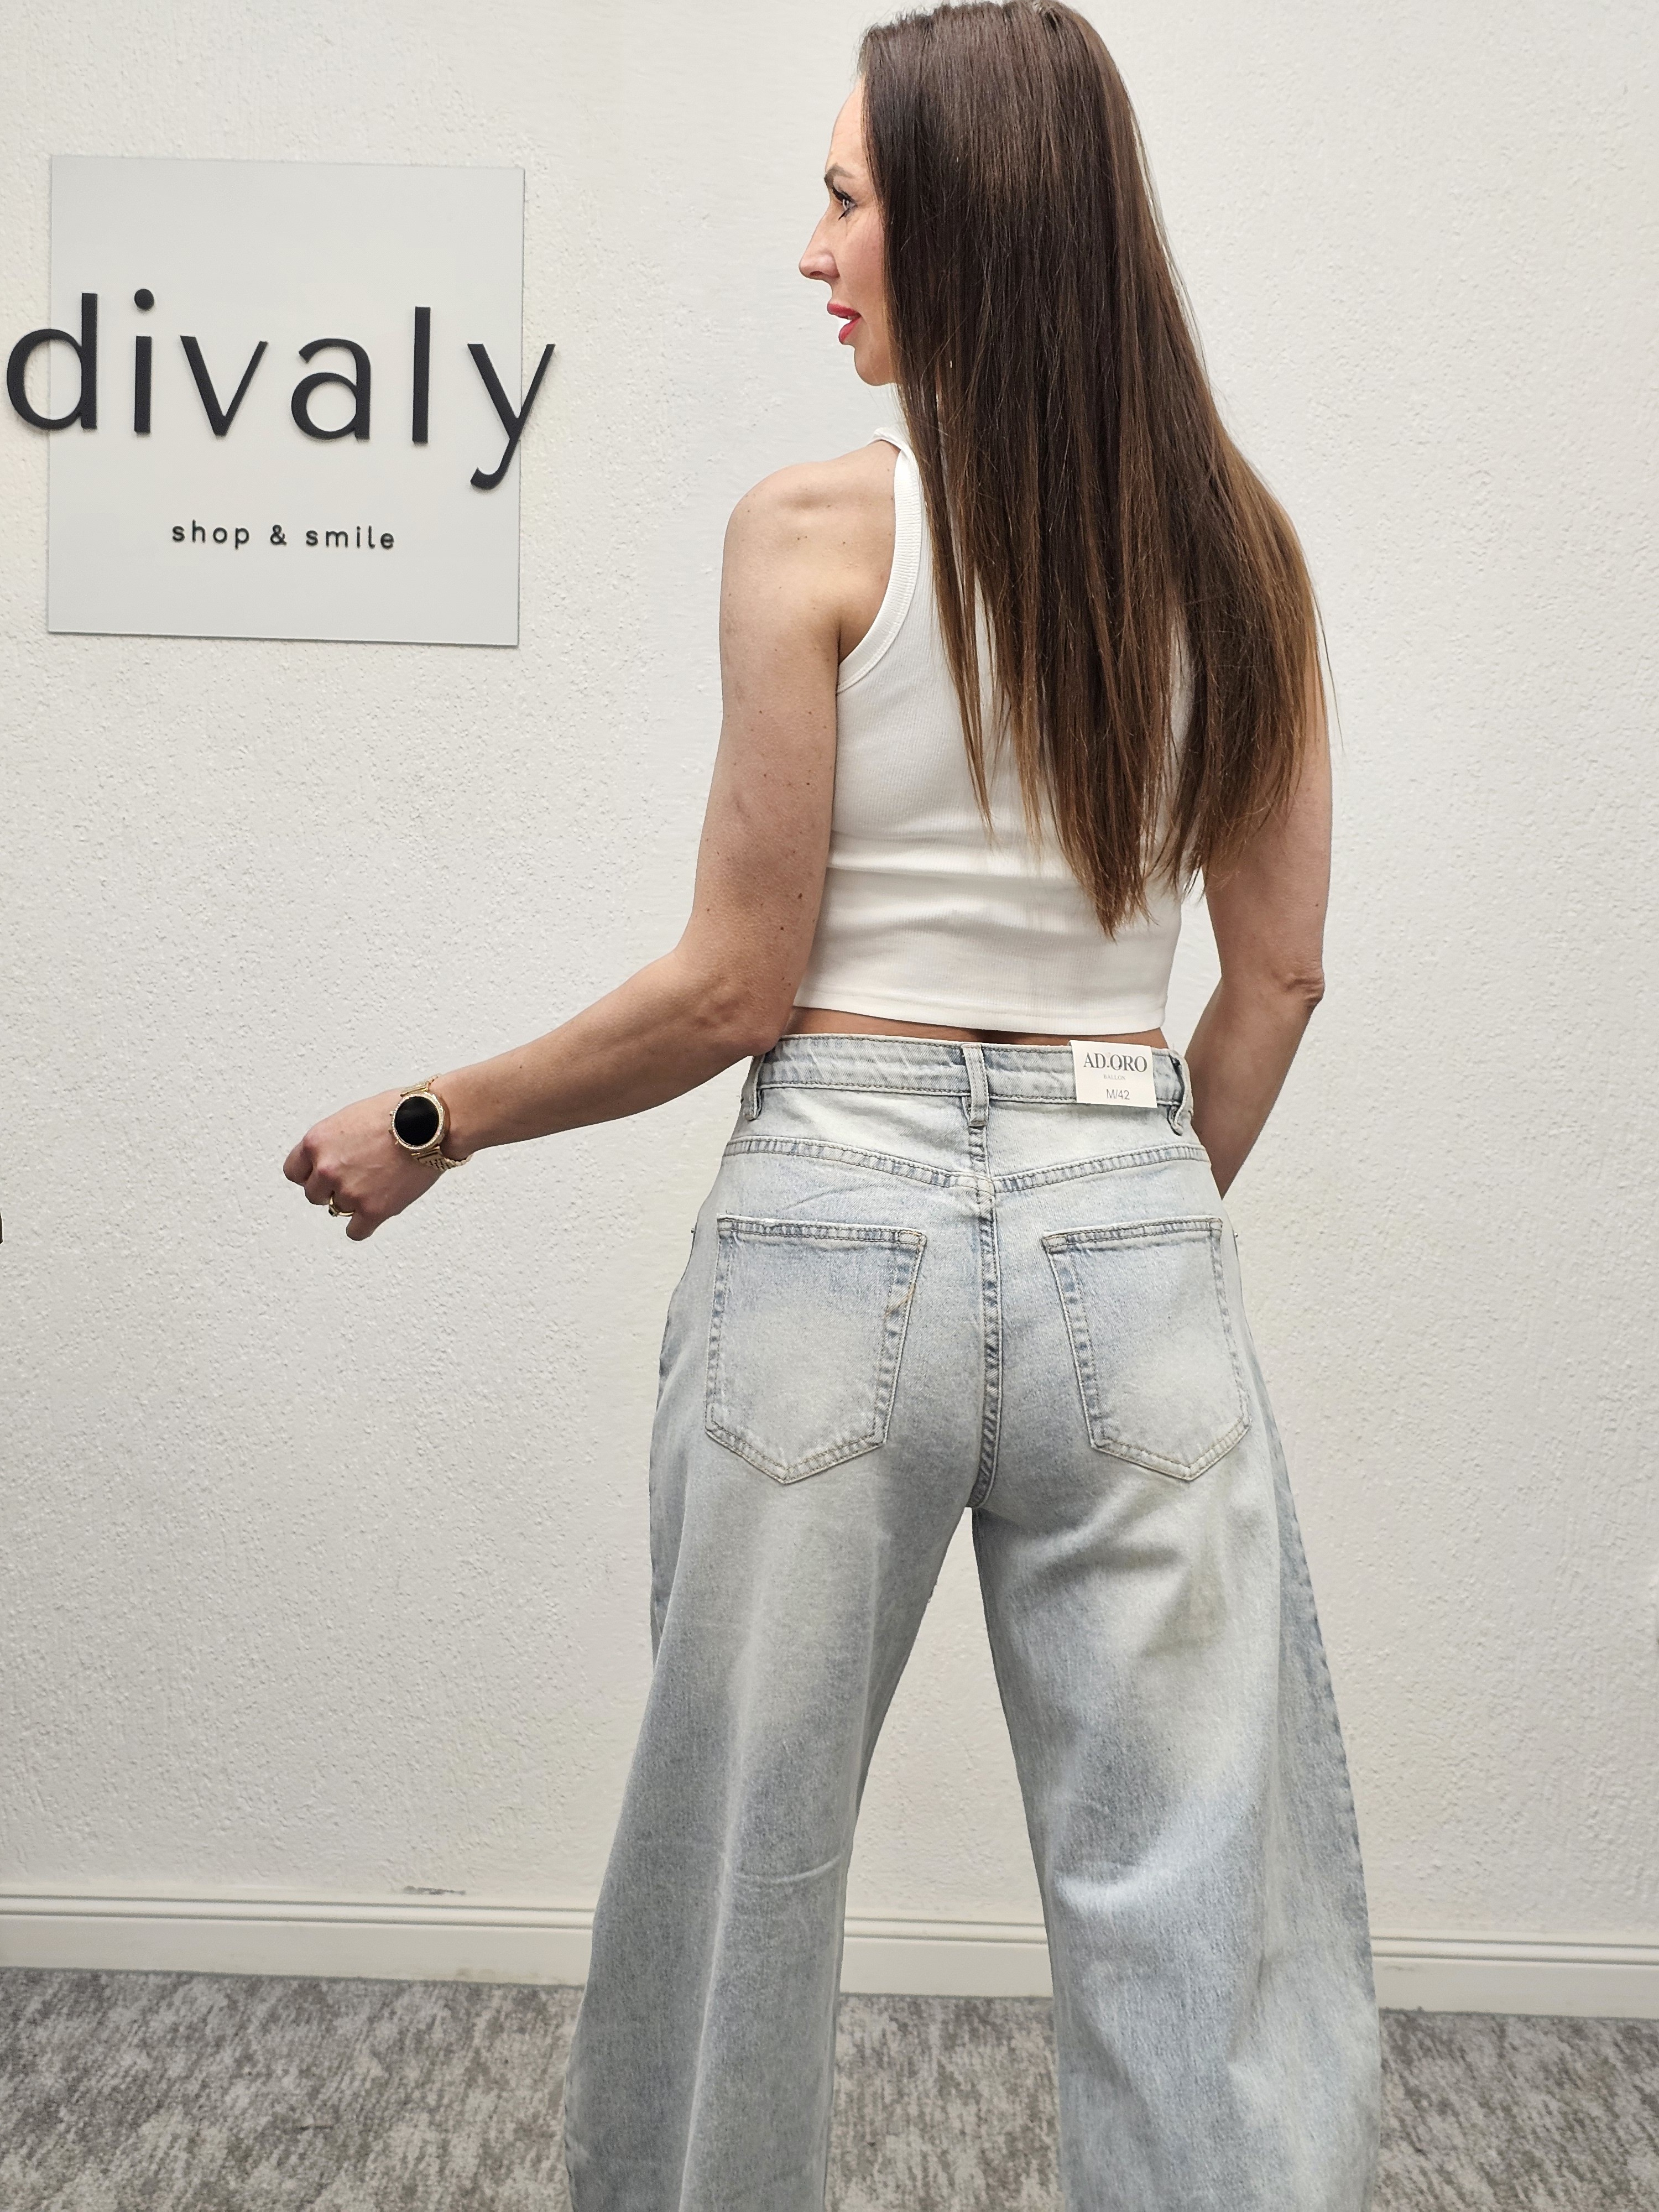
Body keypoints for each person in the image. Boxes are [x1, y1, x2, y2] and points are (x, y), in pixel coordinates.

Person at [284, 4, 1381, 2204]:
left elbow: (734, 987)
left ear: (966, 224)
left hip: (831, 1241)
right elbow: (1275, 977)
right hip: (1130, 1229)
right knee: (1192, 1905)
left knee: (734, 1877)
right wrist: (1117, 1213)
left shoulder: (809, 536)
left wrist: (437, 1116)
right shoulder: (1243, 551)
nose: (815, 250)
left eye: (849, 200)